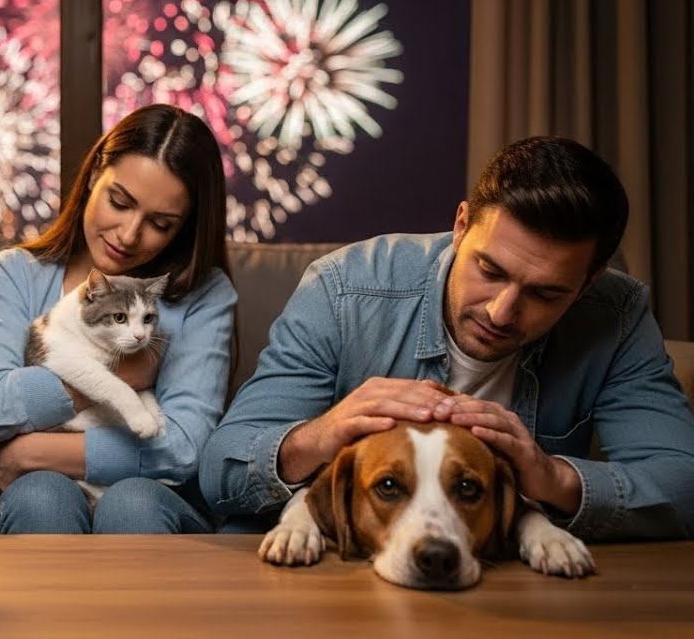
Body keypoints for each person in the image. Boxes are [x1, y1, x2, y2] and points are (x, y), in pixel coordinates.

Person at [201, 136, 694, 540]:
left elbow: (684, 484)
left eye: (545, 294)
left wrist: (553, 477)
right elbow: (222, 468)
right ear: (461, 226)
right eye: (490, 269)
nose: (502, 312)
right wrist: (324, 434)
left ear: (588, 283)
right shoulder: (343, 287)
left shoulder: (618, 314)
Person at [0, 104, 237, 534]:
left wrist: (30, 452)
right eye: (119, 202)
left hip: (151, 503)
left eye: (160, 224)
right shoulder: (14, 273)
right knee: (42, 495)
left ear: (184, 228)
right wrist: (123, 374)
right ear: (93, 174)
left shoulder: (203, 293)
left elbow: (185, 448)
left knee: (133, 503)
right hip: (38, 496)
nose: (129, 235)